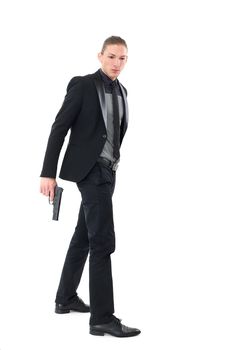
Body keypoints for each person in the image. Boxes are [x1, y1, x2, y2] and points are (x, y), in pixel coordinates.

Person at [40, 36, 140, 337]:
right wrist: (48, 173)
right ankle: (102, 318)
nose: (116, 63)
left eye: (122, 58)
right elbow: (60, 127)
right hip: (90, 172)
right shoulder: (83, 85)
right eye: (111, 57)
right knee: (102, 242)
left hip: (109, 173)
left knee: (84, 236)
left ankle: (65, 297)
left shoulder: (122, 91)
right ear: (100, 56)